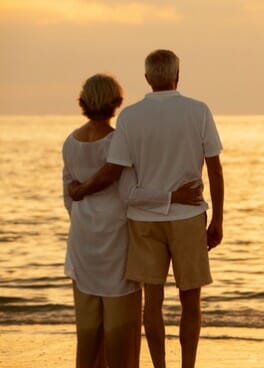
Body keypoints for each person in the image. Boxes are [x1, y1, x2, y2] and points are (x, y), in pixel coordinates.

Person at [69, 50, 225, 368]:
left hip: (143, 222)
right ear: (178, 75)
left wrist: (81, 190)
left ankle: (159, 367)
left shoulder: (130, 117)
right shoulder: (198, 111)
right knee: (190, 301)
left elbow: (116, 171)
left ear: (147, 79)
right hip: (189, 217)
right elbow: (215, 169)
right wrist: (218, 219)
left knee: (152, 302)